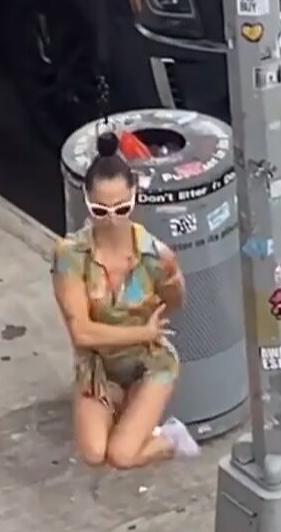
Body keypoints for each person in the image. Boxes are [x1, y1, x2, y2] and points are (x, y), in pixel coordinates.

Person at [51, 131, 200, 469]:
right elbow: (82, 333)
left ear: (134, 197)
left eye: (122, 208)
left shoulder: (155, 256)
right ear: (87, 201)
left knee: (121, 456)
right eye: (100, 210)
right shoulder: (71, 256)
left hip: (149, 362)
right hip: (99, 366)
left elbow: (174, 303)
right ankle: (121, 414)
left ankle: (170, 439)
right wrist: (141, 332)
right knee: (92, 453)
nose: (113, 218)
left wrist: (174, 281)